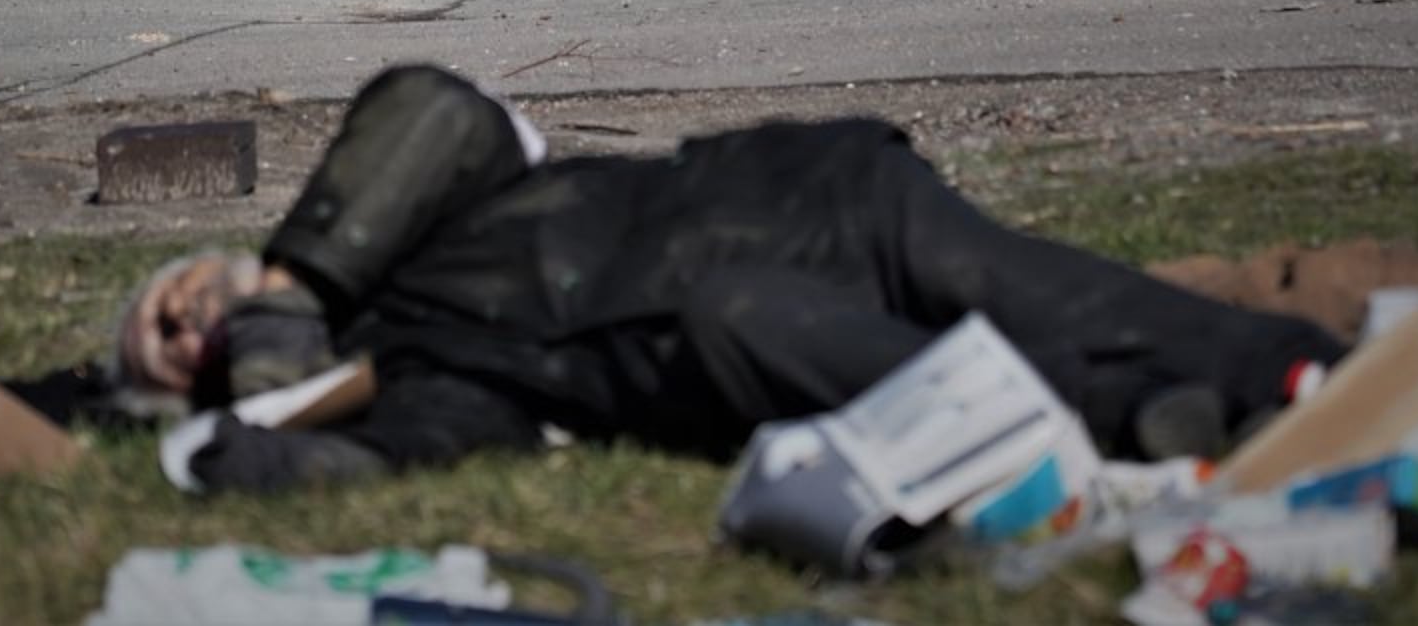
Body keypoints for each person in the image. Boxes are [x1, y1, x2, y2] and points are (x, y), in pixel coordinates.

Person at [113, 66, 1349, 495]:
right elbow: (387, 457)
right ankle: (1137, 420)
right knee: (766, 328)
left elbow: (430, 105)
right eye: (177, 351)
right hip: (731, 328)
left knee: (992, 272)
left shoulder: (384, 212)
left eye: (172, 299)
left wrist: (281, 291)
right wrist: (255, 422)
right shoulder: (412, 378)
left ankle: (1291, 371)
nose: (188, 323)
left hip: (806, 202)